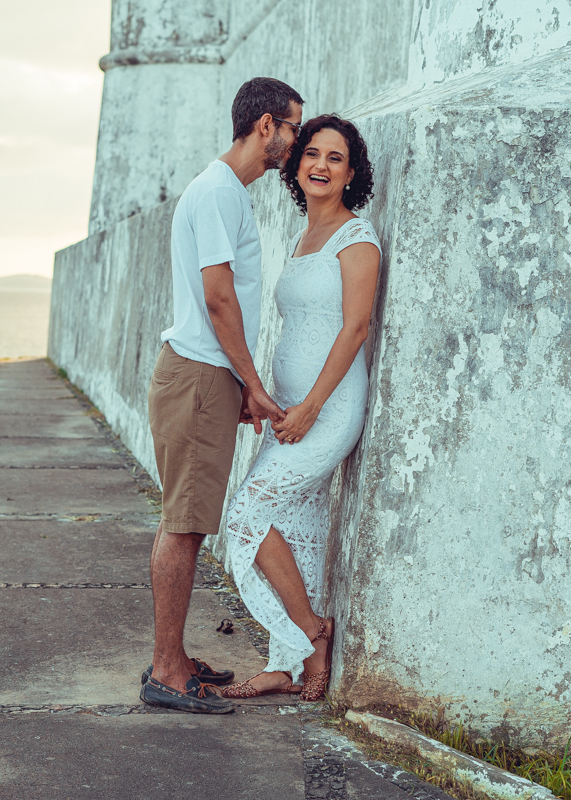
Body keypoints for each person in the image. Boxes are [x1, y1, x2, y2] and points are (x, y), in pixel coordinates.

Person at [141, 77, 304, 714]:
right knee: (184, 524)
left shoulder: (226, 192)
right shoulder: (217, 192)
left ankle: (175, 659)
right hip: (198, 378)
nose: (295, 140)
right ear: (266, 126)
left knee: (186, 520)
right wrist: (252, 385)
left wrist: (237, 383)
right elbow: (218, 297)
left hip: (204, 377)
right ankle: (166, 672)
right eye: (292, 127)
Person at [218, 115, 381, 701]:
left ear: (351, 173)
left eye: (335, 158)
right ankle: (289, 665)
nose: (320, 165)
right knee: (295, 528)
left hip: (327, 411)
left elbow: (355, 329)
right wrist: (263, 392)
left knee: (247, 515)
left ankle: (312, 631)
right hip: (288, 409)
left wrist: (312, 406)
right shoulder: (303, 236)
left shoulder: (356, 239)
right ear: (296, 164)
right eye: (312, 153)